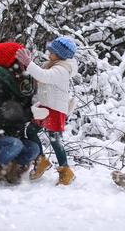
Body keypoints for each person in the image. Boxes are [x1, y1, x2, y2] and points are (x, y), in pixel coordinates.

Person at [0, 42, 45, 188]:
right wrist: (30, 113)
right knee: (15, 145)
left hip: (13, 134)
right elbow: (1, 115)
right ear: (12, 61)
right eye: (21, 56)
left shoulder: (22, 81)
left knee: (33, 149)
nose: (25, 58)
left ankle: (10, 173)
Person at [16, 36, 78, 185]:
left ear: (61, 55)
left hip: (55, 108)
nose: (49, 53)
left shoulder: (62, 69)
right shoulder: (52, 64)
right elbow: (39, 76)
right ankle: (41, 160)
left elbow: (44, 76)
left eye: (52, 52)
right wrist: (27, 67)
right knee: (31, 131)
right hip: (46, 105)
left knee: (54, 139)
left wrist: (29, 63)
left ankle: (65, 171)